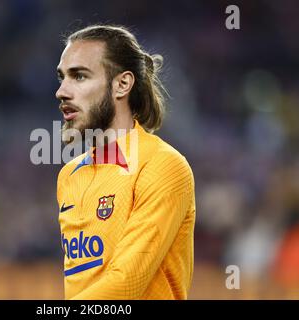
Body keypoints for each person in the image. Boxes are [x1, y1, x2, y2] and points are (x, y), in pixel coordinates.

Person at [55, 25, 196, 299]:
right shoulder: (69, 176)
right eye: (62, 78)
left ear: (122, 84)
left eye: (79, 76)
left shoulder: (162, 166)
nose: (61, 91)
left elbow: (126, 285)